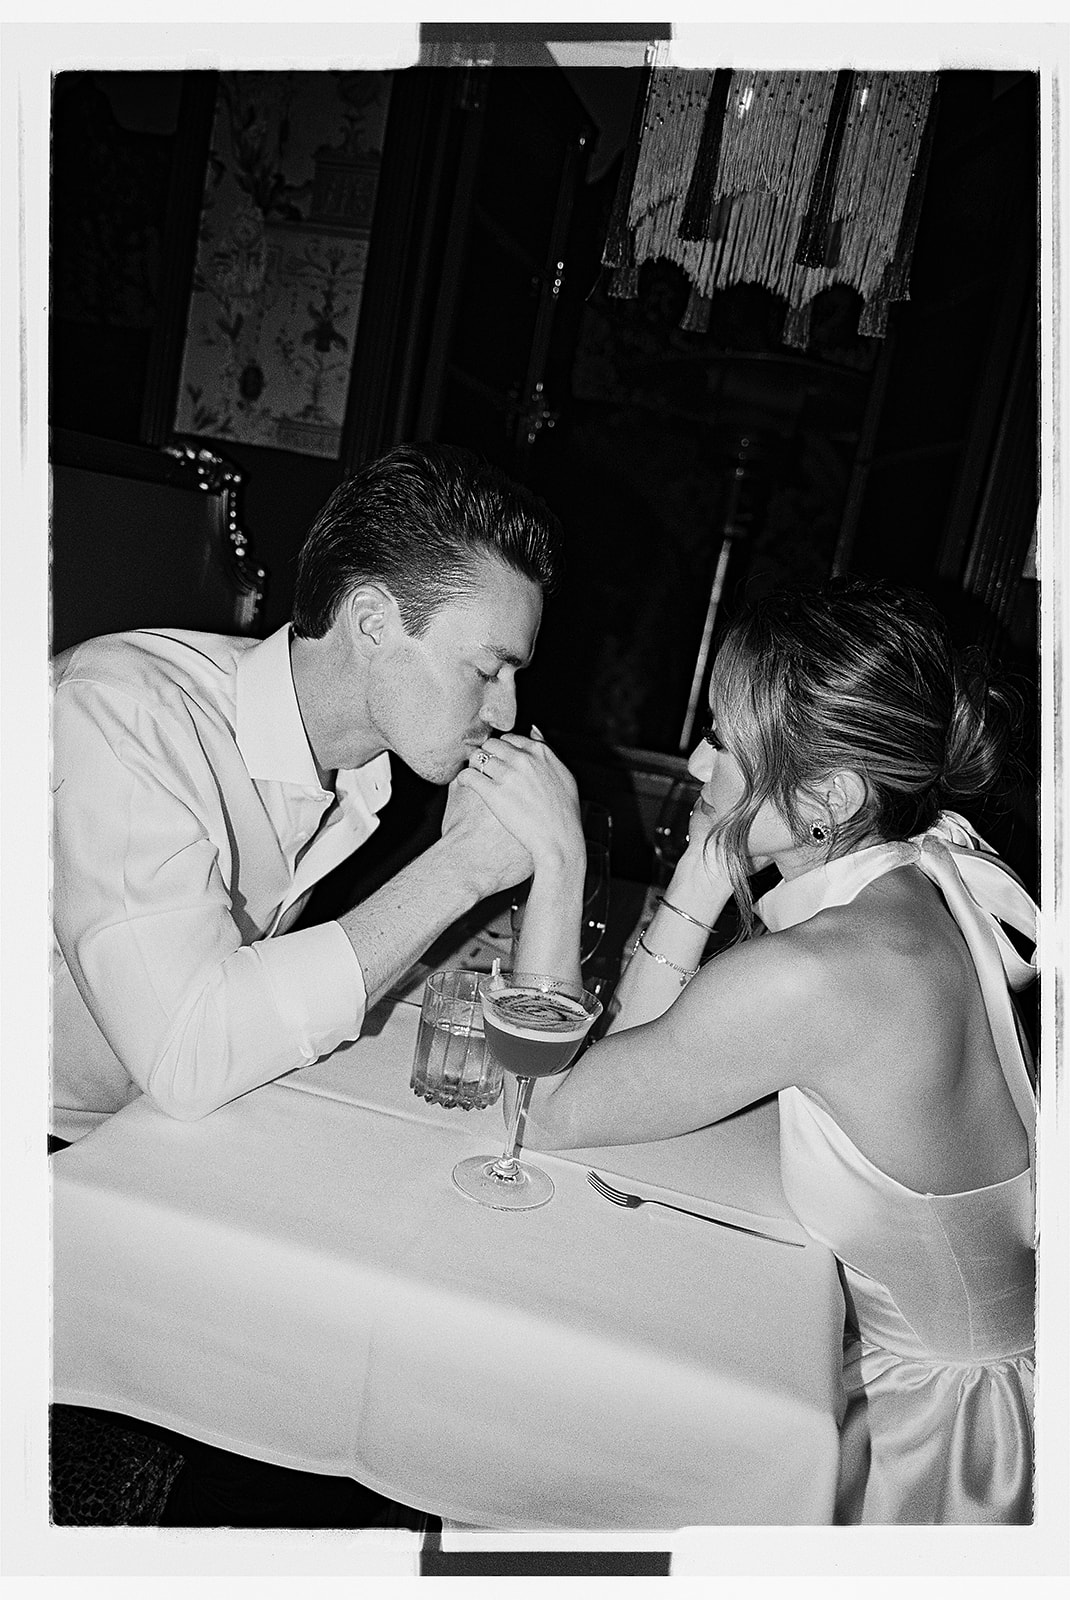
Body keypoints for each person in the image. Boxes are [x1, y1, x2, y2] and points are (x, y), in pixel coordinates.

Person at [475, 578, 1037, 1525]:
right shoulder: (932, 867)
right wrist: (704, 873)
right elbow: (645, 1058)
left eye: (728, 741)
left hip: (938, 1438)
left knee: (554, 1436)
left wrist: (560, 862)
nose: (697, 760)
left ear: (828, 795)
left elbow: (542, 1108)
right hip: (1001, 1367)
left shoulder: (818, 974)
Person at [51, 441, 585, 1145]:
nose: (509, 713)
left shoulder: (359, 774)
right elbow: (186, 1054)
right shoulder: (123, 715)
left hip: (147, 1136)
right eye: (488, 670)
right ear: (370, 622)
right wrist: (461, 869)